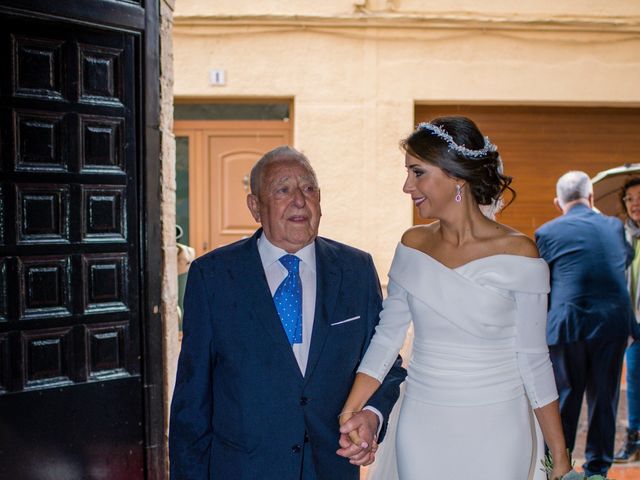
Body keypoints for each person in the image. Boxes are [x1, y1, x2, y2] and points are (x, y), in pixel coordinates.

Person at [338, 116, 571, 480]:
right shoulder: (411, 245)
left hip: (499, 423)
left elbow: (534, 359)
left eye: (417, 173)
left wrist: (559, 452)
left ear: (456, 176)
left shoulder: (520, 254)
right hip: (422, 420)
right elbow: (386, 338)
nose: (406, 186)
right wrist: (350, 409)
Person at [169, 146, 406, 480]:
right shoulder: (213, 276)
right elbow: (192, 399)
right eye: (283, 190)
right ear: (255, 206)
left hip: (330, 468)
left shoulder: (355, 270)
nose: (299, 201)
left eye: (309, 189)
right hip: (242, 469)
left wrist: (372, 415)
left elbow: (385, 363)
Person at [535, 171, 635, 477]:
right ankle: (597, 470)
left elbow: (543, 283)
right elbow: (623, 259)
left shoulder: (546, 232)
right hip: (612, 324)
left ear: (558, 203)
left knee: (566, 398)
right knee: (604, 400)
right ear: (591, 197)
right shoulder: (614, 226)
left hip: (567, 325)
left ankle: (558, 466)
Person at [614, 177, 640, 462]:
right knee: (634, 379)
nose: (635, 204)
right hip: (633, 320)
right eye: (630, 199)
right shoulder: (621, 236)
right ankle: (634, 437)